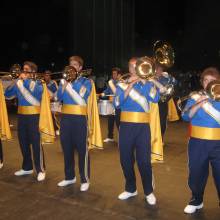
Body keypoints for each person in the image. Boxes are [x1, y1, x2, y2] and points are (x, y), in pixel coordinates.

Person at [113, 57, 160, 205]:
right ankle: (130, 188)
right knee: (125, 159)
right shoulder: (122, 84)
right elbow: (116, 103)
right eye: (132, 66)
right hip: (126, 126)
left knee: (144, 161)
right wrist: (128, 88)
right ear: (129, 68)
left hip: (142, 127)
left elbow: (155, 98)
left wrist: (145, 82)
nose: (134, 68)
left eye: (137, 65)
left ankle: (148, 191)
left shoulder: (147, 83)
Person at [182, 67, 220, 214]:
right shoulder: (194, 97)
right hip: (197, 142)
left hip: (218, 143)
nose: (208, 83)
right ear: (202, 82)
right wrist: (200, 103)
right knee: (196, 172)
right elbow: (186, 116)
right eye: (205, 80)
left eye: (212, 80)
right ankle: (196, 200)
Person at [57, 56, 95, 191]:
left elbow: (83, 96)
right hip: (66, 118)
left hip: (79, 118)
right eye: (70, 65)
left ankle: (85, 179)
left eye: (74, 65)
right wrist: (65, 85)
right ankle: (69, 177)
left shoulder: (86, 81)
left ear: (79, 68)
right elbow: (58, 97)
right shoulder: (63, 81)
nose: (71, 67)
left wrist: (72, 83)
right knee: (66, 148)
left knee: (82, 149)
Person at [4, 61, 46, 181]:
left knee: (36, 144)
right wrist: (10, 83)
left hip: (34, 116)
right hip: (21, 116)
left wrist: (24, 81)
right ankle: (27, 167)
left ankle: (41, 169)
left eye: (25, 69)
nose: (22, 71)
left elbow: (37, 92)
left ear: (32, 71)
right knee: (23, 142)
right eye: (23, 69)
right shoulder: (19, 83)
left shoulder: (38, 82)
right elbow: (8, 95)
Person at [154, 64, 177, 141]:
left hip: (163, 102)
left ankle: (161, 138)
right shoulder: (150, 78)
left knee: (162, 122)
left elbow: (175, 83)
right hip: (152, 103)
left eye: (160, 69)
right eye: (157, 69)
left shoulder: (166, 78)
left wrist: (169, 77)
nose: (158, 71)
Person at [101, 67, 122, 142]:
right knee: (110, 121)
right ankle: (110, 137)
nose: (113, 75)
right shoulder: (111, 82)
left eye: (115, 73)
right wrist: (104, 92)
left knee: (118, 122)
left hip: (119, 106)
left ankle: (122, 138)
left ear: (119, 74)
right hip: (111, 105)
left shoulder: (122, 82)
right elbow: (107, 90)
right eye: (112, 73)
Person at [43, 70, 59, 135]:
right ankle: (48, 130)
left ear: (50, 76)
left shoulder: (53, 82)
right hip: (45, 103)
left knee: (54, 117)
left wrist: (53, 98)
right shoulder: (42, 83)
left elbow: (57, 92)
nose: (46, 76)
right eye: (45, 75)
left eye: (48, 75)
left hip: (53, 102)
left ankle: (56, 129)